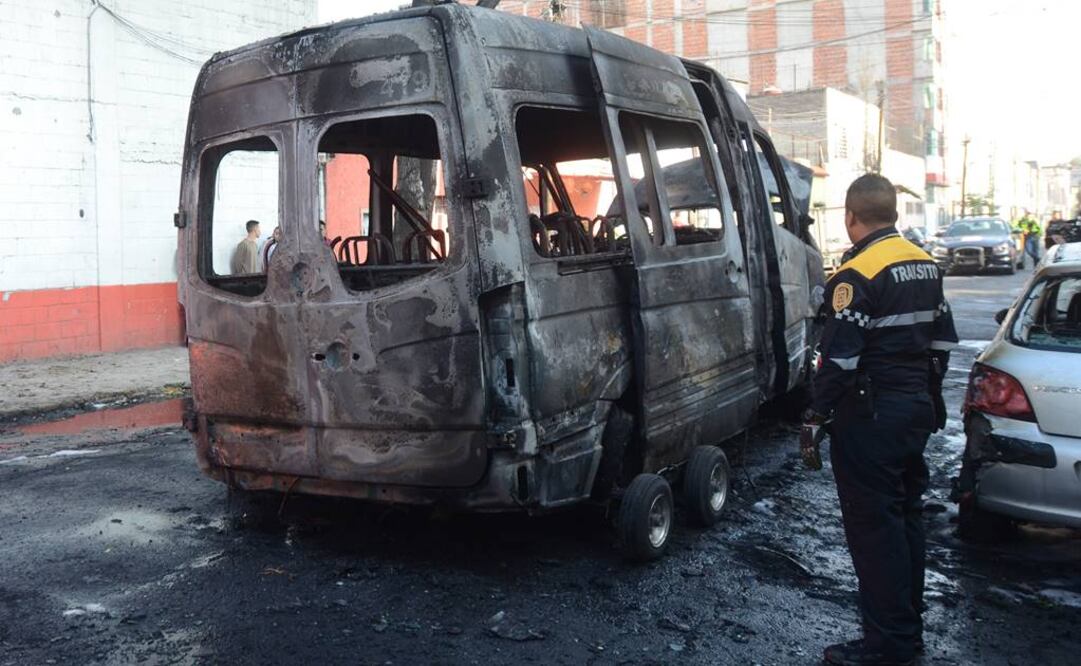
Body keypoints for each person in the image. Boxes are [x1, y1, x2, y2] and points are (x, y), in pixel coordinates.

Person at [803, 174, 958, 666]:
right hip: (913, 411)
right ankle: (905, 635)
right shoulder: (925, 264)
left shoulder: (856, 274)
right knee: (906, 520)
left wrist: (815, 414)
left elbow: (839, 362)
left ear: (851, 217)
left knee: (875, 533)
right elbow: (942, 344)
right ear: (892, 213)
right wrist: (928, 400)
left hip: (870, 417)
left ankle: (887, 647)